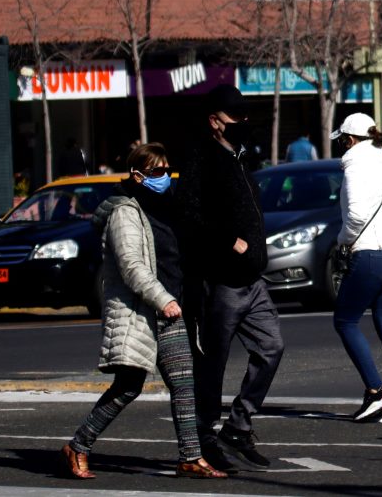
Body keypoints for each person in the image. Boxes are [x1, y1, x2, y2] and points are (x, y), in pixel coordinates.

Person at [61, 143, 226, 480]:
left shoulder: (166, 208)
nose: (164, 176)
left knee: (183, 385)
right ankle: (78, 445)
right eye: (156, 171)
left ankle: (190, 458)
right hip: (142, 311)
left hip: (170, 312)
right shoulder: (125, 211)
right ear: (137, 175)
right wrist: (162, 298)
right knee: (128, 387)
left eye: (166, 169)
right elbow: (132, 266)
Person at [176, 84, 285, 472]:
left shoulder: (238, 157)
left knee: (272, 347)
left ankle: (237, 427)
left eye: (244, 116)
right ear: (214, 122)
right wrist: (229, 241)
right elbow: (187, 216)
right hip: (220, 281)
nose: (243, 123)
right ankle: (204, 438)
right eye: (235, 117)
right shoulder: (201, 158)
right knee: (212, 364)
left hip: (253, 280)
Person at [330, 113, 382, 423]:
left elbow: (355, 216)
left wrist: (343, 241)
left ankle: (378, 391)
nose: (340, 146)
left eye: (341, 140)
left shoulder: (354, 168)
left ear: (349, 140)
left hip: (371, 255)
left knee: (345, 321)